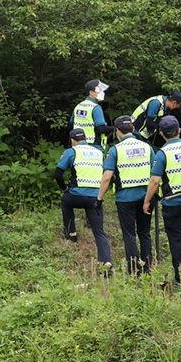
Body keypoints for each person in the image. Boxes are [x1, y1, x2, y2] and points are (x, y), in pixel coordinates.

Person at [143, 115, 181, 284]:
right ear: (179, 130)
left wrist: (147, 201)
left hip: (173, 202)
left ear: (161, 133)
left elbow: (155, 181)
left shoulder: (162, 154)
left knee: (176, 239)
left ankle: (180, 278)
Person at [97, 115, 155, 275]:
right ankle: (148, 268)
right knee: (145, 233)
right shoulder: (147, 147)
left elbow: (107, 177)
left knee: (129, 235)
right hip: (146, 197)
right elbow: (155, 174)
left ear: (117, 131)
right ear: (133, 129)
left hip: (125, 198)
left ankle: (134, 270)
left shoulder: (115, 150)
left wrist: (99, 198)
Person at [55, 128, 112, 274]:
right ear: (85, 138)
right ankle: (106, 261)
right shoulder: (99, 152)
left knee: (65, 200)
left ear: (72, 140)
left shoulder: (71, 152)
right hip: (95, 197)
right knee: (99, 231)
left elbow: (58, 174)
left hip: (75, 195)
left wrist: (64, 188)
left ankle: (71, 233)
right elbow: (108, 174)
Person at [70, 79, 111, 150]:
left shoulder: (79, 106)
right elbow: (101, 129)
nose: (102, 92)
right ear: (91, 92)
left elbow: (71, 123)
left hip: (77, 143)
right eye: (99, 90)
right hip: (93, 144)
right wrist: (114, 128)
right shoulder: (96, 108)